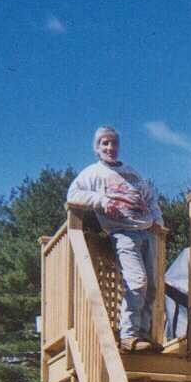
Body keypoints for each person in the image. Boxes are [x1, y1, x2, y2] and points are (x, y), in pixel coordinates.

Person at [67, 127, 163, 351]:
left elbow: (150, 198)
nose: (110, 148)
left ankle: (143, 335)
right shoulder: (93, 173)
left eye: (113, 143)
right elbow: (73, 194)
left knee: (152, 287)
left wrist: (157, 219)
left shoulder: (132, 172)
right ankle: (128, 336)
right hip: (122, 232)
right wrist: (100, 200)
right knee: (137, 281)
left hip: (147, 231)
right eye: (105, 143)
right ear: (97, 148)